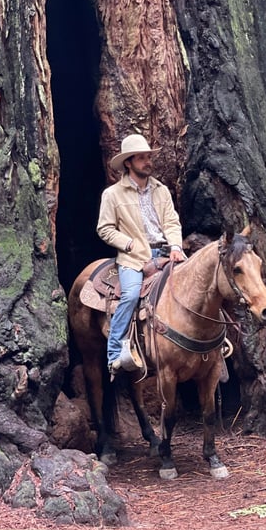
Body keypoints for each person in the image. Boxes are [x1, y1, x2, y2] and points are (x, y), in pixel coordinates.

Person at [97, 133, 186, 376]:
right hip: (134, 259)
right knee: (130, 295)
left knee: (199, 283)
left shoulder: (161, 190)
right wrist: (127, 244)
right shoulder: (113, 195)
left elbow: (171, 222)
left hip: (167, 253)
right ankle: (114, 354)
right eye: (142, 158)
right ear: (128, 162)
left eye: (149, 157)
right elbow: (104, 229)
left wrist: (176, 246)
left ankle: (215, 348)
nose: (148, 161)